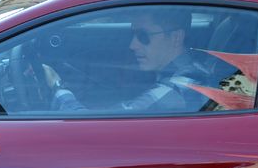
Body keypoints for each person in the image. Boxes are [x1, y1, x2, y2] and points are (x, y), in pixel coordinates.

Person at [43, 9, 209, 113]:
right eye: (133, 34)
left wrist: (58, 87)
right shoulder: (188, 71)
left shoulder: (177, 91)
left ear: (175, 37)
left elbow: (92, 130)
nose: (133, 45)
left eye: (143, 36)